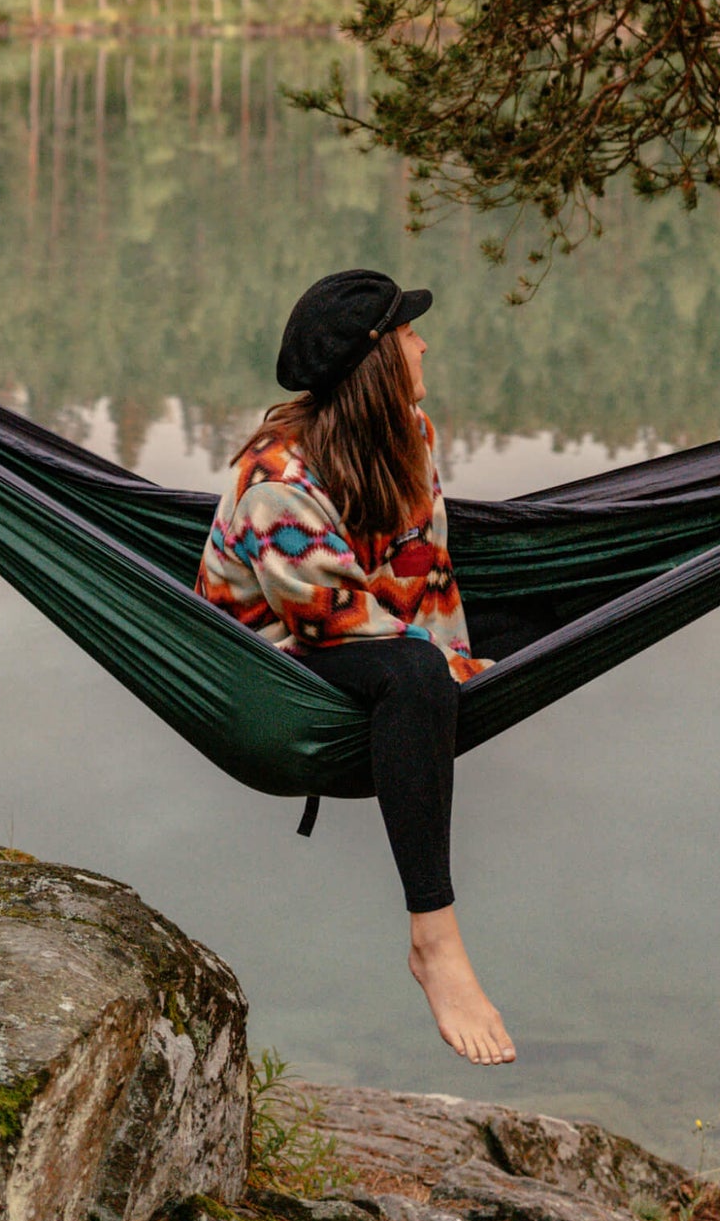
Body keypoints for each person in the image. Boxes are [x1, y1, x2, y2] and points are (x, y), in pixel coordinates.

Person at [197, 269, 516, 1067]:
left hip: (360, 637)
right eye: (409, 332)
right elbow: (341, 628)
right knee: (415, 679)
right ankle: (434, 941)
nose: (423, 341)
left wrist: (463, 663)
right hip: (270, 674)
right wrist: (441, 677)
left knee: (466, 651)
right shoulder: (276, 483)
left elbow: (425, 576)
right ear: (378, 359)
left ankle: (433, 685)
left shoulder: (411, 433)